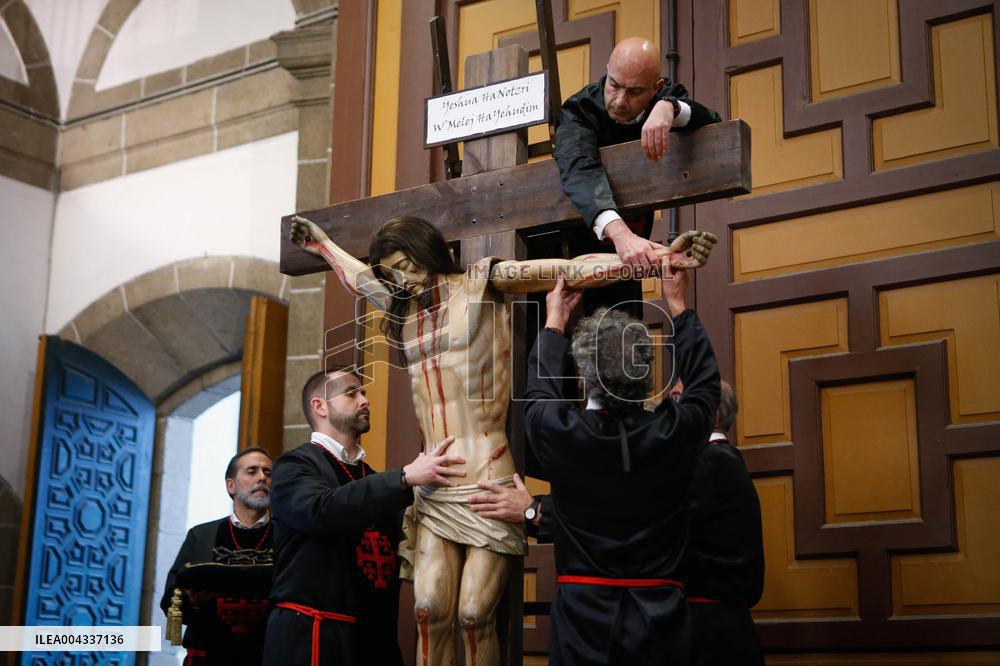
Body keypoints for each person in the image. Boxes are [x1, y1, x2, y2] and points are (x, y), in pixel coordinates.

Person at [289, 215, 716, 666]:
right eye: (392, 271)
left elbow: (569, 271)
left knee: (474, 615)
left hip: (487, 475)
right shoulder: (403, 304)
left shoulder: (481, 282)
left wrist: (657, 259)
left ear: (426, 252)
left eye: (407, 265)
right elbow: (360, 279)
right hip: (434, 484)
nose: (402, 279)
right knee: (425, 609)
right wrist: (322, 244)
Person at [523, 266, 720, 665]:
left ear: (582, 377)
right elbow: (704, 386)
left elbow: (539, 390)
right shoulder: (675, 433)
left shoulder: (559, 432)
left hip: (582, 617)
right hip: (661, 616)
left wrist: (554, 322)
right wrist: (678, 304)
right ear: (646, 373)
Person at [263, 366, 465, 666]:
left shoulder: (372, 479)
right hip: (314, 636)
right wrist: (405, 477)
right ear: (319, 406)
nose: (364, 400)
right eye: (351, 393)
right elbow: (322, 509)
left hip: (372, 638)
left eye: (365, 393)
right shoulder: (294, 466)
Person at [554, 36, 721, 312]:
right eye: (614, 85)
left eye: (634, 92)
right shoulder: (580, 109)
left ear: (654, 89)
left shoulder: (666, 96)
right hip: (575, 254)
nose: (619, 101)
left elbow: (715, 126)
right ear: (607, 71)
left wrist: (670, 108)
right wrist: (621, 235)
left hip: (630, 259)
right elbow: (579, 169)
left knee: (627, 341)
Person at [160, 447, 275, 666]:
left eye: (268, 473)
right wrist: (194, 603)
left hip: (267, 656)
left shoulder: (289, 537)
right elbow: (171, 597)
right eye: (252, 472)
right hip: (209, 655)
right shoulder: (201, 535)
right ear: (231, 485)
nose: (262, 477)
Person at [681, 379, 765, 665]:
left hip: (708, 635)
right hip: (724, 628)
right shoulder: (723, 460)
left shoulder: (706, 464)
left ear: (712, 412)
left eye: (679, 397)